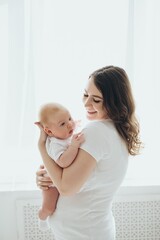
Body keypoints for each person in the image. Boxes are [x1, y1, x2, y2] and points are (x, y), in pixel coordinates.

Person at [35, 65, 142, 240]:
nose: (86, 103)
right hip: (87, 230)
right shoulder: (113, 130)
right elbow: (74, 176)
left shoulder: (97, 131)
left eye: (96, 100)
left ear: (114, 101)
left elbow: (66, 187)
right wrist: (48, 175)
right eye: (85, 95)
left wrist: (41, 147)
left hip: (83, 232)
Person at [36, 102, 85, 230]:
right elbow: (63, 162)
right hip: (51, 181)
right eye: (62, 124)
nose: (69, 124)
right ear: (49, 131)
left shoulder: (67, 133)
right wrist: (74, 146)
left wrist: (74, 124)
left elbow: (76, 125)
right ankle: (42, 216)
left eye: (69, 118)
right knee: (49, 207)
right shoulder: (54, 144)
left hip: (63, 179)